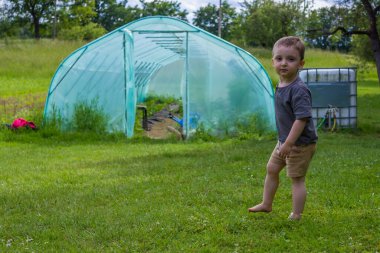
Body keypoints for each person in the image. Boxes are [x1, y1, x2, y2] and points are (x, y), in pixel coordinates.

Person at [248, 36, 318, 220]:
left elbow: (301, 119)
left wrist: (288, 143)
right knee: (271, 169)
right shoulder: (281, 83)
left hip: (299, 143)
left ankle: (296, 214)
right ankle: (266, 204)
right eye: (279, 59)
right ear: (273, 61)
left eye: (291, 59)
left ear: (301, 63)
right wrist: (284, 142)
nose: (284, 63)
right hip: (284, 141)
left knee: (296, 179)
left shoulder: (299, 89)